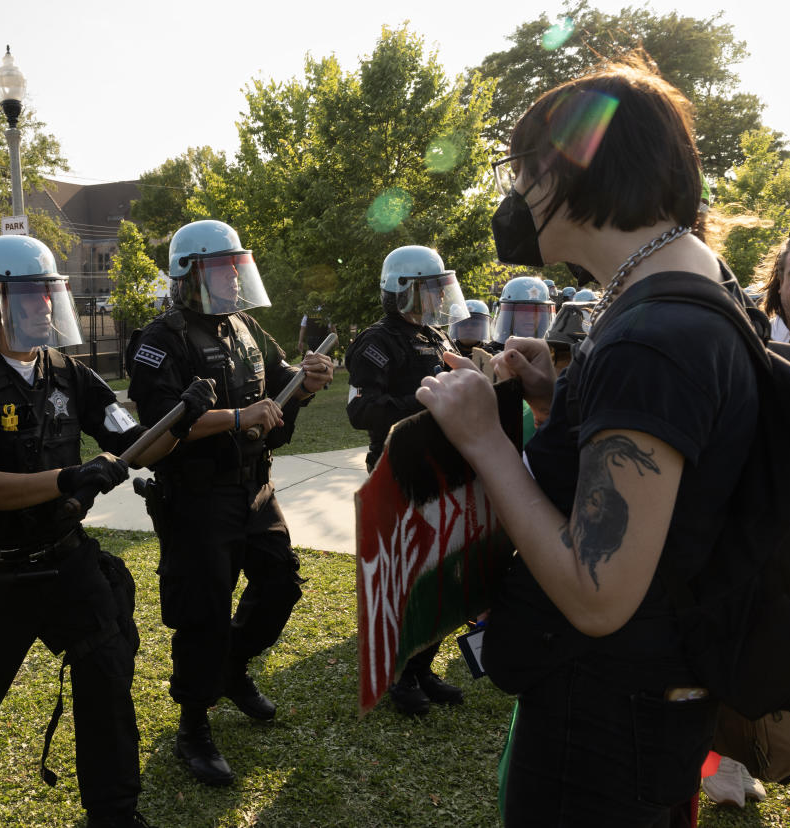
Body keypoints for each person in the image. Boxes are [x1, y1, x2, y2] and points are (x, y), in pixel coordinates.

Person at [416, 60, 757, 826]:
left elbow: (596, 594)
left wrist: (484, 441)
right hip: (647, 703)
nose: (516, 192)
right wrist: (557, 400)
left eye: (522, 167)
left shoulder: (653, 338)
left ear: (575, 169)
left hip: (604, 723)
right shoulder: (692, 283)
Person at [0, 234, 214, 827]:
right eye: (30, 297)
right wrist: (69, 477)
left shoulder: (68, 372)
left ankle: (115, 812)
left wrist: (181, 421)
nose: (45, 308)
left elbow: (134, 445)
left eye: (51, 295)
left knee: (105, 675)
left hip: (66, 557)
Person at [126, 219, 332, 787]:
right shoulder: (158, 340)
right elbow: (157, 425)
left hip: (254, 487)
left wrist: (307, 382)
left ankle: (232, 667)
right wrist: (236, 418)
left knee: (280, 585)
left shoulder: (245, 327)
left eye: (238, 268)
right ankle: (194, 726)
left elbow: (279, 382)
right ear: (189, 274)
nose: (235, 280)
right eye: (223, 269)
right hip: (196, 496)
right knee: (204, 614)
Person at [344, 245, 470, 716]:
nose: (436, 298)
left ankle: (421, 668)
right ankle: (398, 677)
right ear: (401, 290)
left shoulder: (435, 335)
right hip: (398, 467)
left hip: (441, 467)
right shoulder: (378, 342)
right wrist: (424, 402)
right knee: (409, 578)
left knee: (441, 577)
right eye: (427, 289)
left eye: (440, 288)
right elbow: (360, 410)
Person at [490, 275, 554, 347]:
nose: (530, 316)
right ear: (507, 316)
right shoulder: (489, 352)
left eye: (537, 311)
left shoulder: (554, 353)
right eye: (523, 310)